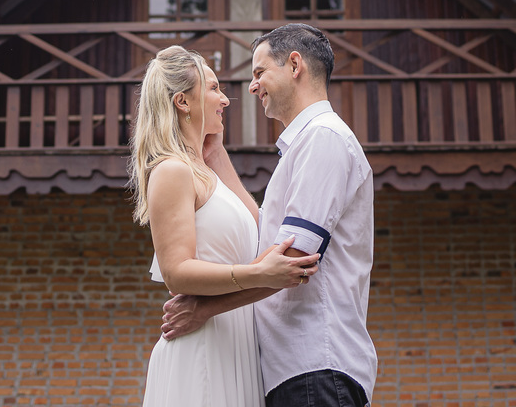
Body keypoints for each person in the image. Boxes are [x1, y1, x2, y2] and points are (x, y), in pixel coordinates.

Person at [162, 24, 377, 407]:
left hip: (316, 365)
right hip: (295, 371)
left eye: (259, 72)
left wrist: (203, 310)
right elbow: (267, 236)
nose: (251, 86)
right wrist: (215, 157)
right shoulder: (303, 146)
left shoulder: (323, 137)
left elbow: (292, 259)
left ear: (295, 65)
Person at [129, 45, 321, 407]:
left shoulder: (204, 173)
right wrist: (259, 274)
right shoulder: (172, 171)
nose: (225, 99)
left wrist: (216, 154)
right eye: (215, 88)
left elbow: (262, 229)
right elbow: (177, 272)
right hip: (203, 348)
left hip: (237, 347)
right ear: (184, 102)